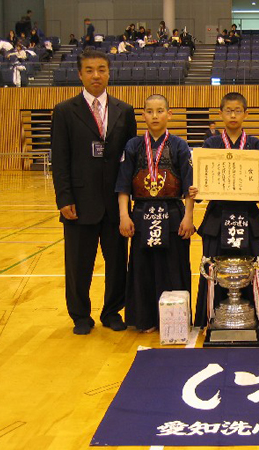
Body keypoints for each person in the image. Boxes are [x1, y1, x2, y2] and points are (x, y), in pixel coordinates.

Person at [51, 49, 137, 335]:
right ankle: (80, 316)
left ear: (109, 72)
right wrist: (64, 198)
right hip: (79, 202)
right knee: (78, 264)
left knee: (116, 264)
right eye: (89, 70)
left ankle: (112, 311)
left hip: (115, 203)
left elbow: (131, 159)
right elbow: (60, 159)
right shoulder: (65, 111)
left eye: (101, 69)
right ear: (80, 74)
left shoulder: (124, 111)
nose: (96, 75)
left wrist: (129, 202)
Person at [190, 92, 259, 328]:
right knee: (212, 266)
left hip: (249, 215)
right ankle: (209, 318)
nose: (233, 115)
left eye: (237, 110)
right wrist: (197, 189)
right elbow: (201, 180)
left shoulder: (255, 145)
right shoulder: (211, 144)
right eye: (228, 110)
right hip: (217, 215)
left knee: (254, 265)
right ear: (220, 113)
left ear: (246, 113)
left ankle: (256, 317)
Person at [116, 94, 194, 332]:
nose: (155, 116)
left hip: (173, 214)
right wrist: (124, 215)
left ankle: (176, 320)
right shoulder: (133, 146)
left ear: (169, 114)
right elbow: (123, 185)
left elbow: (190, 187)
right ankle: (145, 319)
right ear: (143, 115)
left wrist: (189, 217)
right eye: (150, 111)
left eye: (160, 111)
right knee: (142, 269)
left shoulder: (180, 145)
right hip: (141, 213)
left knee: (174, 267)